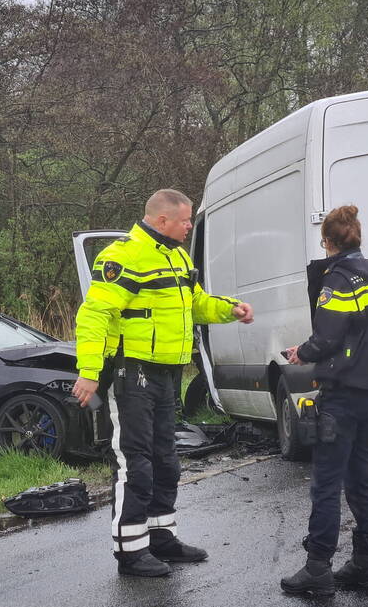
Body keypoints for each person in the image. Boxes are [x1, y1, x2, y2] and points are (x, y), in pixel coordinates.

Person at [72, 189, 254, 577]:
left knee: (166, 460)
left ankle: (161, 537)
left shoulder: (178, 256)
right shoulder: (123, 256)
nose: (190, 226)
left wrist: (230, 309)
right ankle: (130, 551)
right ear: (161, 220)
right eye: (185, 220)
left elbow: (195, 303)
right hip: (132, 373)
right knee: (135, 463)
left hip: (168, 373)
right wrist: (89, 372)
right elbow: (94, 316)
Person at [279, 205, 368, 595]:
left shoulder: (339, 281)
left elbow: (327, 337)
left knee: (327, 484)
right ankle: (366, 562)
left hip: (344, 393)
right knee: (364, 479)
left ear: (328, 242)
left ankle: (318, 568)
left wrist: (303, 353)